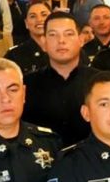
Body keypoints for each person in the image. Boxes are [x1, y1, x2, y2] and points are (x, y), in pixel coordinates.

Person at [22, 12, 101, 145]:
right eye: (53, 35)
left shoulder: (100, 82)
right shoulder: (26, 85)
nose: (61, 41)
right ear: (44, 43)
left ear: (81, 40)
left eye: (69, 34)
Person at [6, 2, 51, 76]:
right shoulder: (14, 55)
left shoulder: (65, 50)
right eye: (33, 16)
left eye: (44, 15)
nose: (39, 20)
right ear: (26, 23)